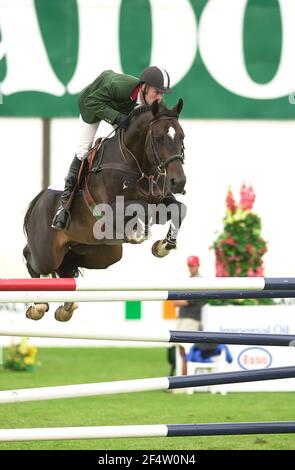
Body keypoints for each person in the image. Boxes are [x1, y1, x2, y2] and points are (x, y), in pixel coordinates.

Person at [51, 66, 173, 231]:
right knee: (83, 150)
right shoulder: (121, 87)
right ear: (144, 87)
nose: (159, 97)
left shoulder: (157, 102)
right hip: (93, 105)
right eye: (157, 92)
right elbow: (91, 101)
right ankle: (64, 207)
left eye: (162, 94)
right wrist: (116, 117)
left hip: (121, 110)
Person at [172, 256, 206, 375]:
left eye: (192, 265)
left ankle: (184, 378)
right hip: (185, 318)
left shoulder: (198, 281)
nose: (190, 268)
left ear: (198, 266)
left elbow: (188, 301)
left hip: (191, 319)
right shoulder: (191, 280)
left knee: (185, 350)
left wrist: (176, 301)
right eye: (189, 265)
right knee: (182, 349)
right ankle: (182, 377)